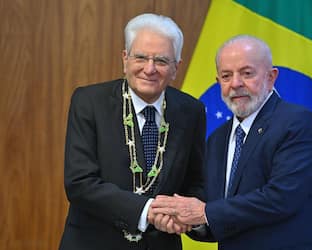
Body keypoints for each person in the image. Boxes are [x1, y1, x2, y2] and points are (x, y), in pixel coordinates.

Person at [150, 35, 312, 250]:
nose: (236, 84)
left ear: (271, 77)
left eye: (247, 73)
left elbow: (281, 198)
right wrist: (189, 222)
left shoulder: (296, 122)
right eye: (226, 76)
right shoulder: (217, 140)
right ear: (218, 82)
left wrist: (204, 212)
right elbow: (221, 210)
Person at [59, 13, 206, 250]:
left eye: (161, 61)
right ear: (125, 59)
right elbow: (80, 183)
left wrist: (183, 214)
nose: (149, 69)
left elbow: (196, 182)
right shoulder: (89, 102)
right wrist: (148, 211)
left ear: (176, 68)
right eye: (140, 57)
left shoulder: (191, 111)